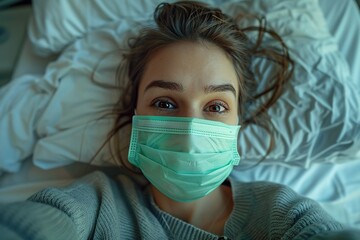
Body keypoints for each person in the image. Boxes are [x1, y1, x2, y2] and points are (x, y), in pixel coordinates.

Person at [0, 1, 359, 239]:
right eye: (166, 103)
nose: (190, 130)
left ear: (238, 124)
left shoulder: (282, 216)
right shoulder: (96, 207)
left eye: (216, 106)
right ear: (136, 114)